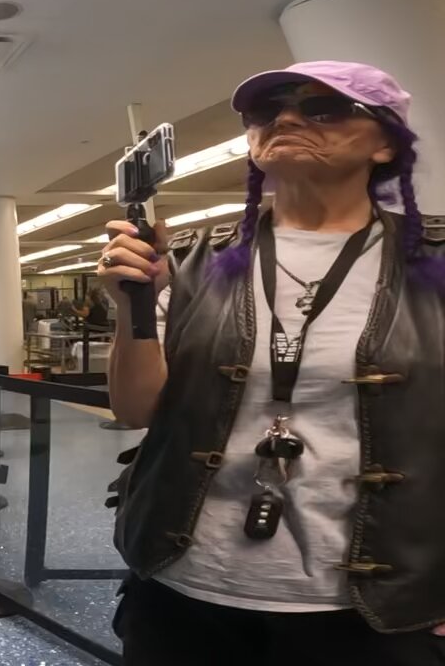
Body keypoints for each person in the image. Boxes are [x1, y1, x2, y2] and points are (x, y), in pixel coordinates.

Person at [100, 61, 445, 665]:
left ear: (386, 141)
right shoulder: (192, 263)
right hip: (186, 588)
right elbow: (134, 410)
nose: (285, 118)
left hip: (373, 608)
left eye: (322, 109)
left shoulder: (435, 266)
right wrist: (129, 307)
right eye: (268, 111)